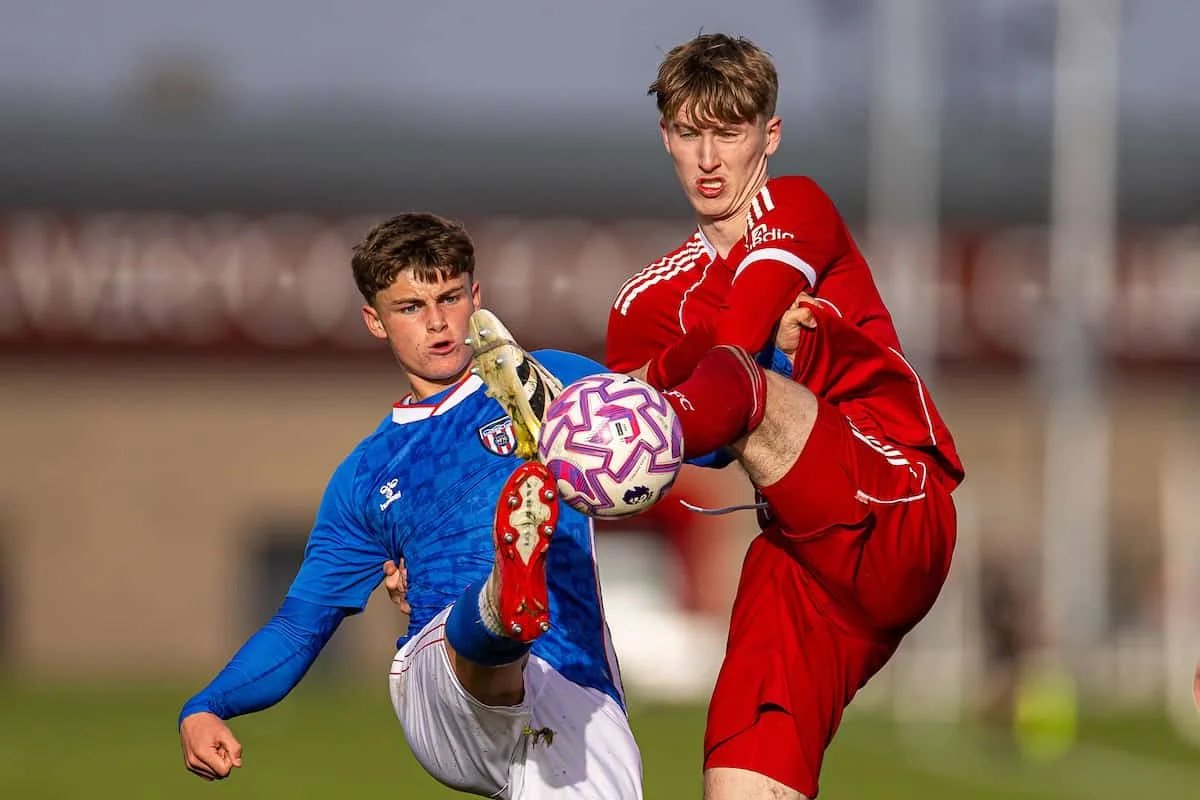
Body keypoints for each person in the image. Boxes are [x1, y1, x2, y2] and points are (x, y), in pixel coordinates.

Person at [602, 33, 965, 799]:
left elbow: (735, 352)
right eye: (689, 133)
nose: (708, 159)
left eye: (729, 132)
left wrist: (647, 396)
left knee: (743, 385)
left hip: (895, 496)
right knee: (739, 783)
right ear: (665, 136)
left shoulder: (794, 205)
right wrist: (640, 403)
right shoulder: (644, 304)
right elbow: (679, 463)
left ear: (769, 136)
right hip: (800, 555)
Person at [177, 213, 641, 799]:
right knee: (476, 633)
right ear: (375, 320)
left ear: (476, 296)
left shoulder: (553, 380)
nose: (437, 321)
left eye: (450, 298)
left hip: (574, 686)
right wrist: (208, 704)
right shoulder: (367, 474)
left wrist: (747, 383)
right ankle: (503, 598)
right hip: (442, 680)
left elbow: (674, 432)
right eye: (410, 307)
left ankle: (507, 603)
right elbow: (301, 625)